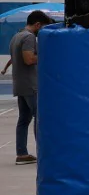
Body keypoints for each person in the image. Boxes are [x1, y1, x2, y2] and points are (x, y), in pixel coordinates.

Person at [8, 9, 48, 163]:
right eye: (43, 27)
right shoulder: (29, 37)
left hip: (20, 84)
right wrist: (48, 54)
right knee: (39, 119)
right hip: (31, 85)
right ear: (38, 24)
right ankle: (43, 152)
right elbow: (29, 59)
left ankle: (22, 153)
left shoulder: (16, 36)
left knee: (24, 119)